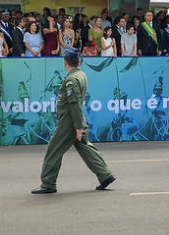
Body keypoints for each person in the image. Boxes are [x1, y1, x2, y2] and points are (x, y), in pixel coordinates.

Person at [31, 46, 116, 194]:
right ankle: (105, 175)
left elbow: (74, 104)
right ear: (79, 61)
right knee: (85, 147)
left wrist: (78, 127)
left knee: (54, 150)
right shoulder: (81, 75)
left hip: (69, 121)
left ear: (65, 62)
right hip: (75, 119)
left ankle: (48, 183)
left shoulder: (71, 80)